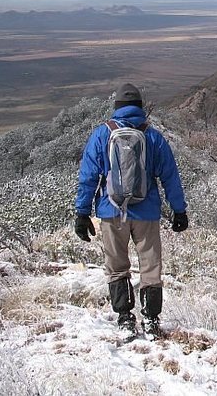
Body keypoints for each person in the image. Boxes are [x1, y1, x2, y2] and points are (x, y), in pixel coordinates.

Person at [74, 83, 188, 337]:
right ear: (140, 108)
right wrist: (179, 210)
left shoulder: (102, 135)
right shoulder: (153, 136)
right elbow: (170, 177)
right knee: (150, 267)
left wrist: (82, 213)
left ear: (117, 108)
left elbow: (88, 178)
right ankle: (150, 320)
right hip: (146, 213)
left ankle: (125, 318)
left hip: (111, 212)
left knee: (116, 267)